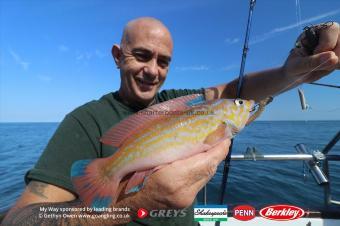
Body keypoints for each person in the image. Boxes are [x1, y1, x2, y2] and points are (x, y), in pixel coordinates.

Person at [2, 17, 339, 226]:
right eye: (142, 56)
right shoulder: (84, 121)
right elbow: (19, 220)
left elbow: (238, 90)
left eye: (163, 62)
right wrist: (137, 202)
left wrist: (288, 73)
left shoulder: (180, 102)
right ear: (118, 56)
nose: (153, 71)